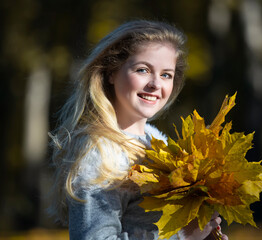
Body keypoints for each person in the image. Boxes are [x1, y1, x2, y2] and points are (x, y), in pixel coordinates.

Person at [48, 20, 228, 240]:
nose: (155, 84)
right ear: (111, 72)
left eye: (166, 75)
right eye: (143, 70)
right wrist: (184, 237)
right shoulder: (101, 153)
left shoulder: (157, 143)